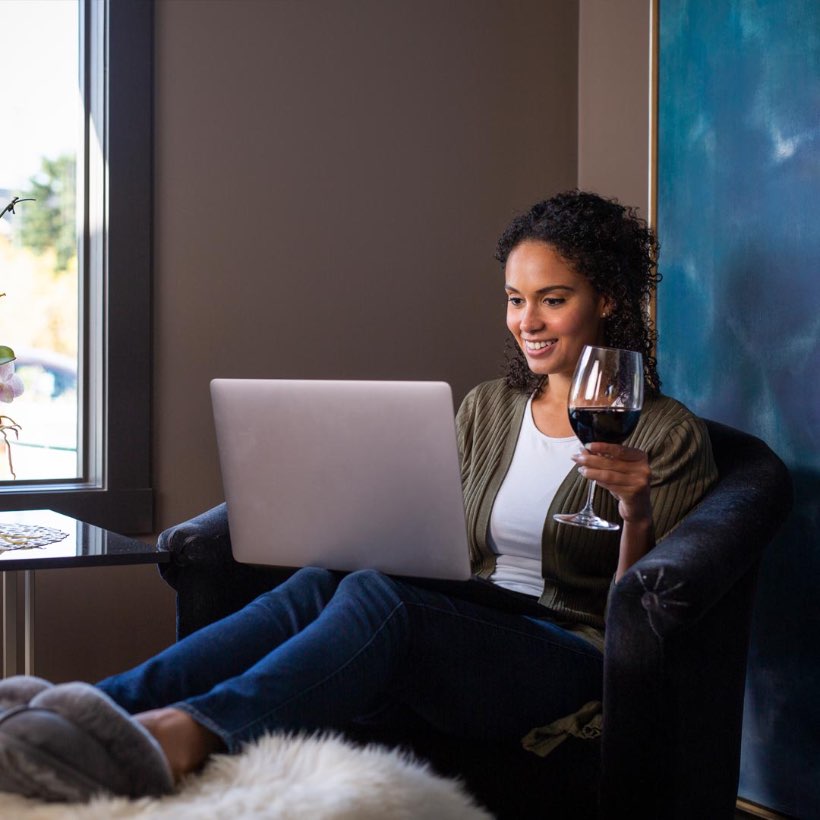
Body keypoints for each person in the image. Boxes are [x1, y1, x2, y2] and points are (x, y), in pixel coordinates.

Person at [0, 190, 717, 803]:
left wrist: (636, 512)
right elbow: (443, 542)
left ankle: (183, 736)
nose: (527, 320)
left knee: (380, 600)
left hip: (572, 653)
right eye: (515, 299)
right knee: (328, 580)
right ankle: (91, 707)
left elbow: (644, 627)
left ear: (607, 300)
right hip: (482, 616)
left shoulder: (666, 433)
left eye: (552, 300)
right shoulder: (490, 408)